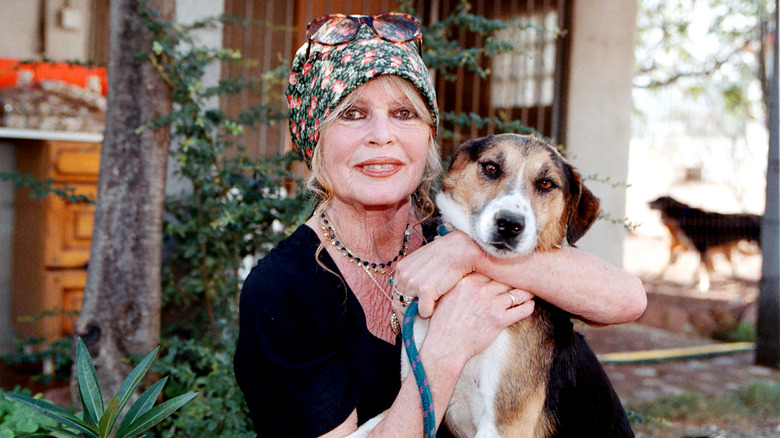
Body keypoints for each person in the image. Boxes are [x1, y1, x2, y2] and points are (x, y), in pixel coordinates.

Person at [233, 12, 646, 438]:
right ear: (314, 140)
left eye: (403, 113)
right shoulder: (282, 292)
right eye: (353, 113)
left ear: (429, 136)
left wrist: (468, 253)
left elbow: (627, 299)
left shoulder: (459, 230)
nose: (382, 135)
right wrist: (445, 351)